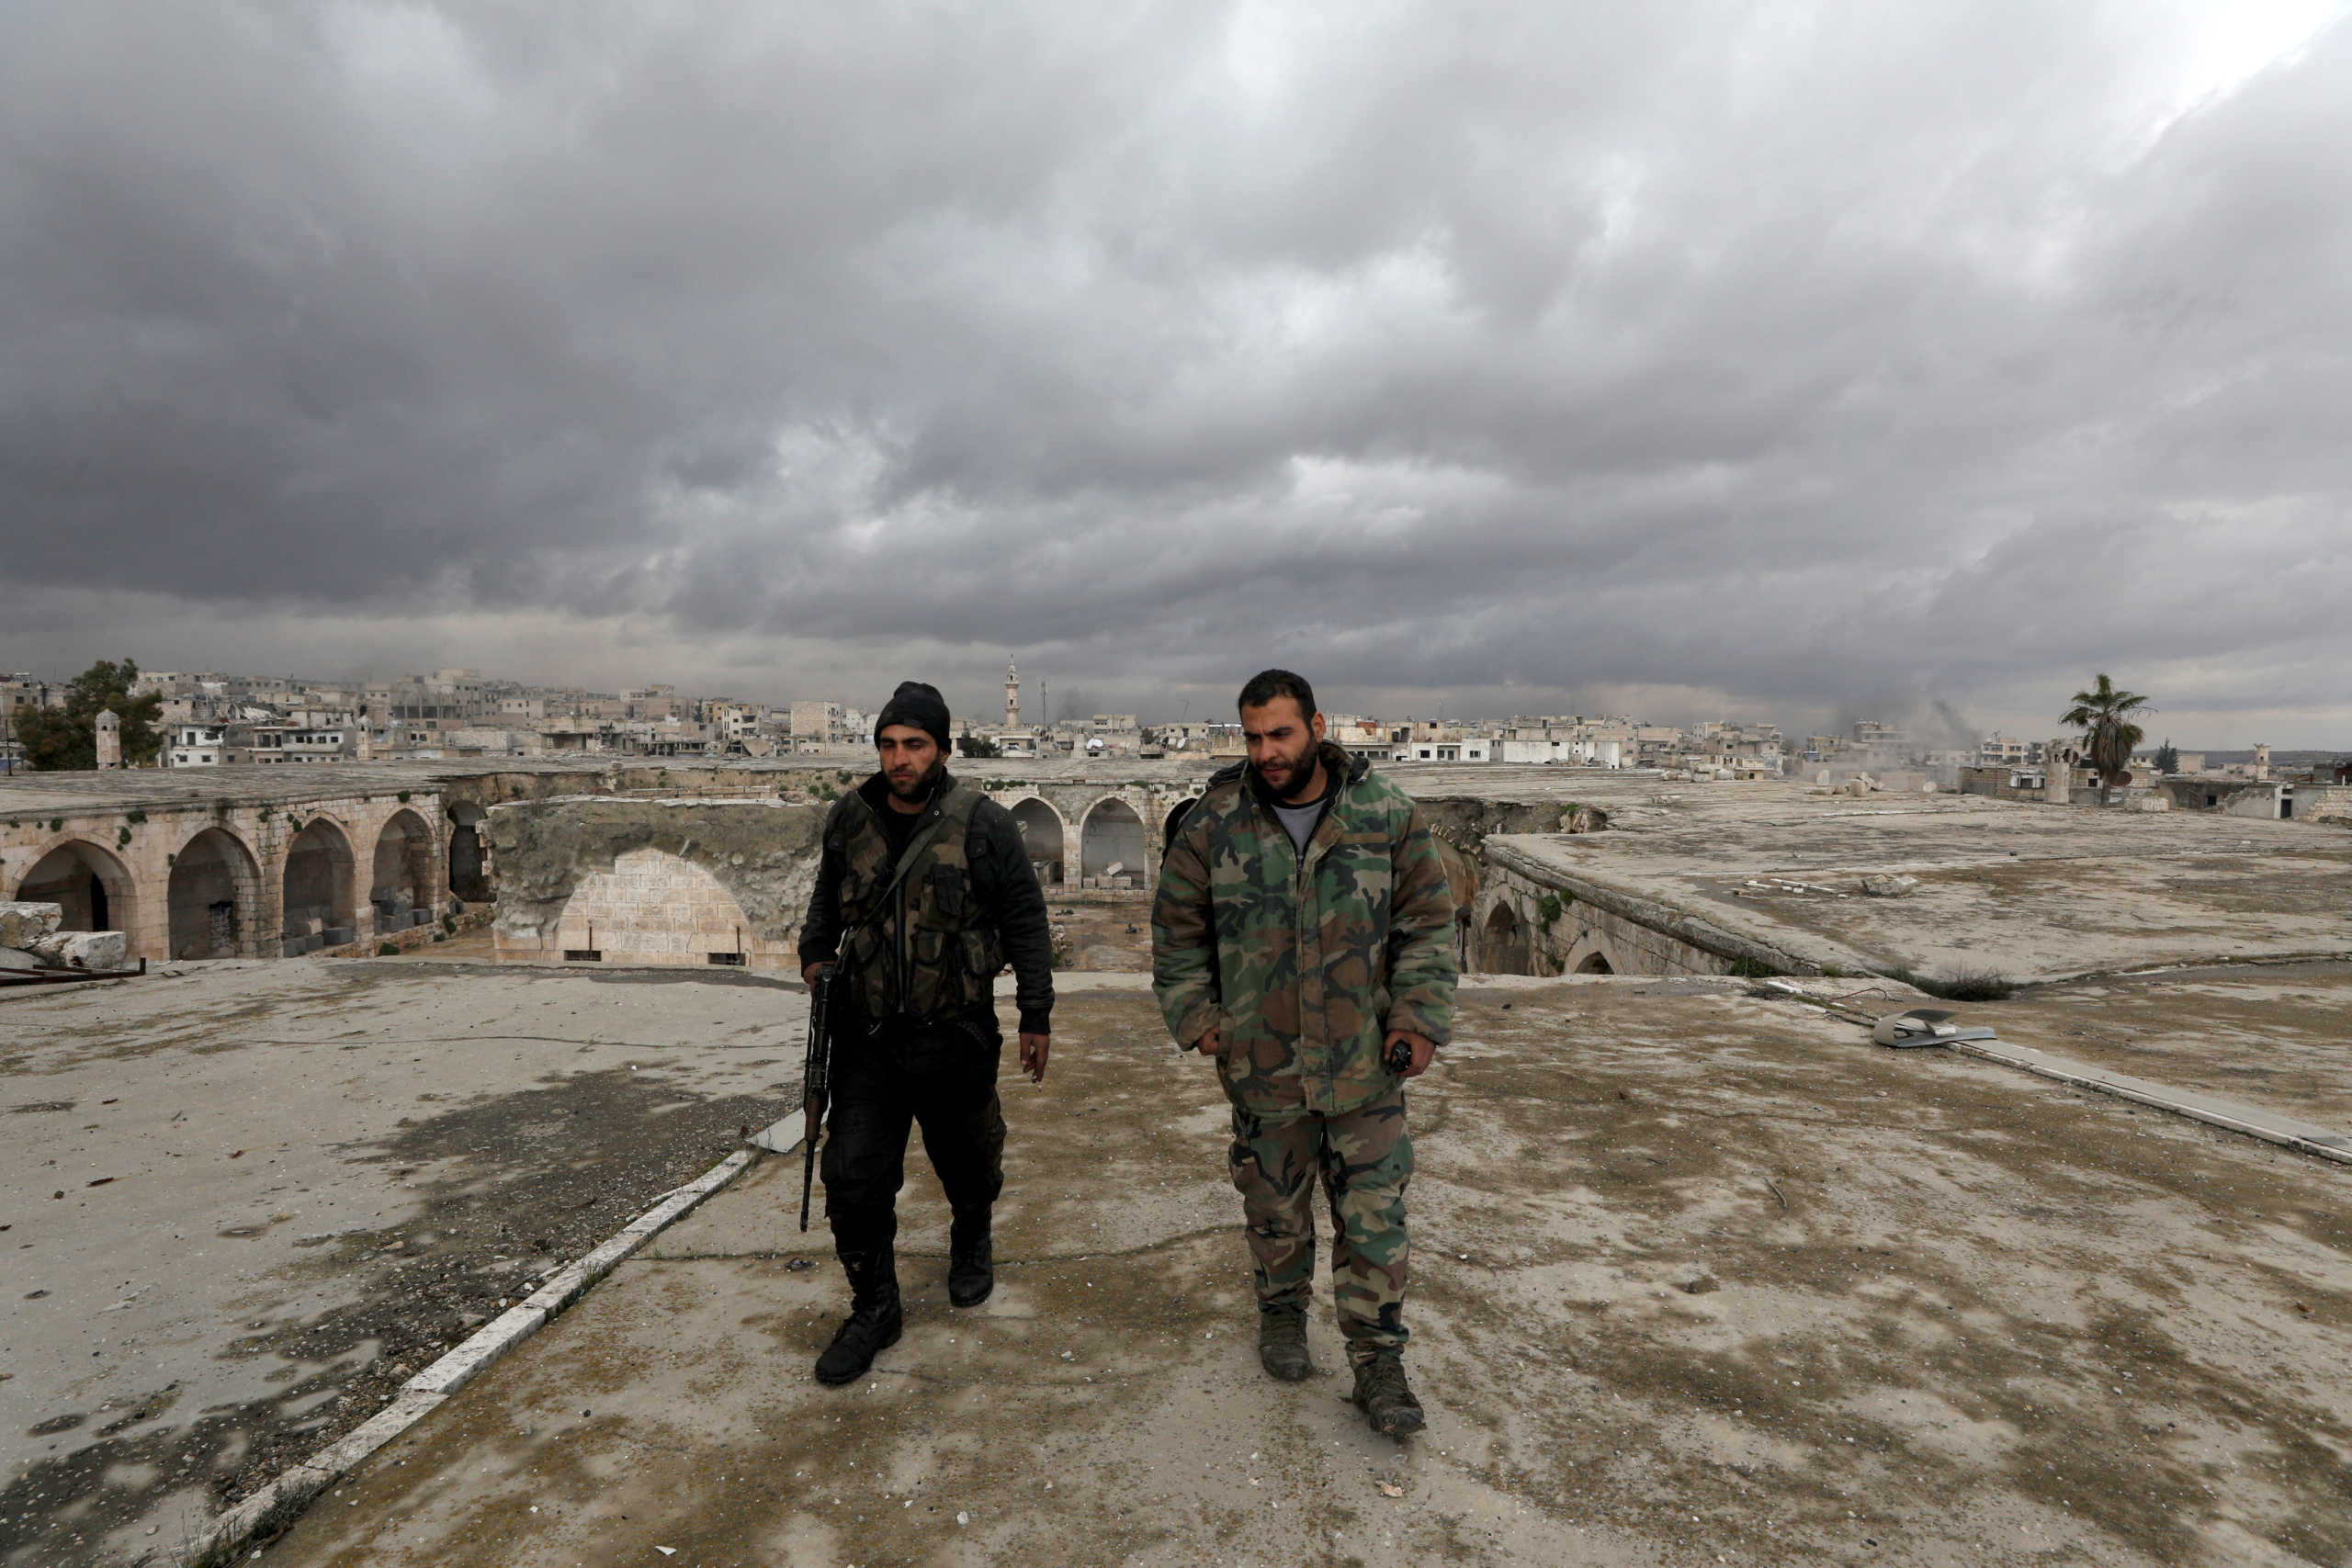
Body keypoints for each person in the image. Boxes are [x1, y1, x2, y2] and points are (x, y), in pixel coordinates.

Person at [1150, 669, 1457, 1437]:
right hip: (1264, 1068)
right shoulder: (1216, 823)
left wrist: (1416, 1018)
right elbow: (1177, 931)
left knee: (1375, 1220)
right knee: (1274, 1208)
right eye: (1253, 737)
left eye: (1280, 733)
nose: (1267, 751)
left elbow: (1427, 921)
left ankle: (1378, 1362)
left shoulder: (1383, 815)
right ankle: (1282, 1316)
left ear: (1317, 724)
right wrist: (1201, 1019)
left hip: (1364, 1067)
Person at [797, 681, 1054, 1385]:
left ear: (941, 748)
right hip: (868, 1039)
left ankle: (971, 1236)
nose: (899, 758)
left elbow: (1026, 921)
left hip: (955, 1034)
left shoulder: (983, 824)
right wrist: (815, 961)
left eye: (913, 744)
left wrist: (1036, 1014)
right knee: (851, 1176)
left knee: (969, 1159)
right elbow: (824, 913)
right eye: (888, 744)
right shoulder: (849, 820)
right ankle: (875, 1305)